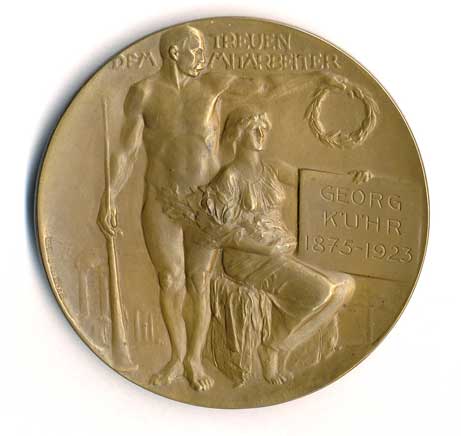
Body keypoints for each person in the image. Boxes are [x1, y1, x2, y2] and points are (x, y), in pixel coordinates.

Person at [97, 24, 348, 391]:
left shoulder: (212, 86)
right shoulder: (144, 92)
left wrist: (315, 78)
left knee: (199, 281)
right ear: (175, 53)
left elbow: (265, 86)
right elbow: (126, 150)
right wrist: (110, 195)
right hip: (161, 199)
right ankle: (176, 358)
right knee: (169, 279)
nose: (202, 57)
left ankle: (194, 360)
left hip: (207, 205)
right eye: (196, 51)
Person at [183, 105, 356, 384]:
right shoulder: (230, 178)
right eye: (254, 128)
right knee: (322, 291)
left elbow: (310, 183)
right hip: (250, 260)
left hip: (280, 253)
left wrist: (350, 181)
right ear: (238, 133)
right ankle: (273, 348)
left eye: (264, 128)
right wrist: (265, 248)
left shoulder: (271, 168)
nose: (261, 133)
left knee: (346, 286)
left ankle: (279, 344)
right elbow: (221, 232)